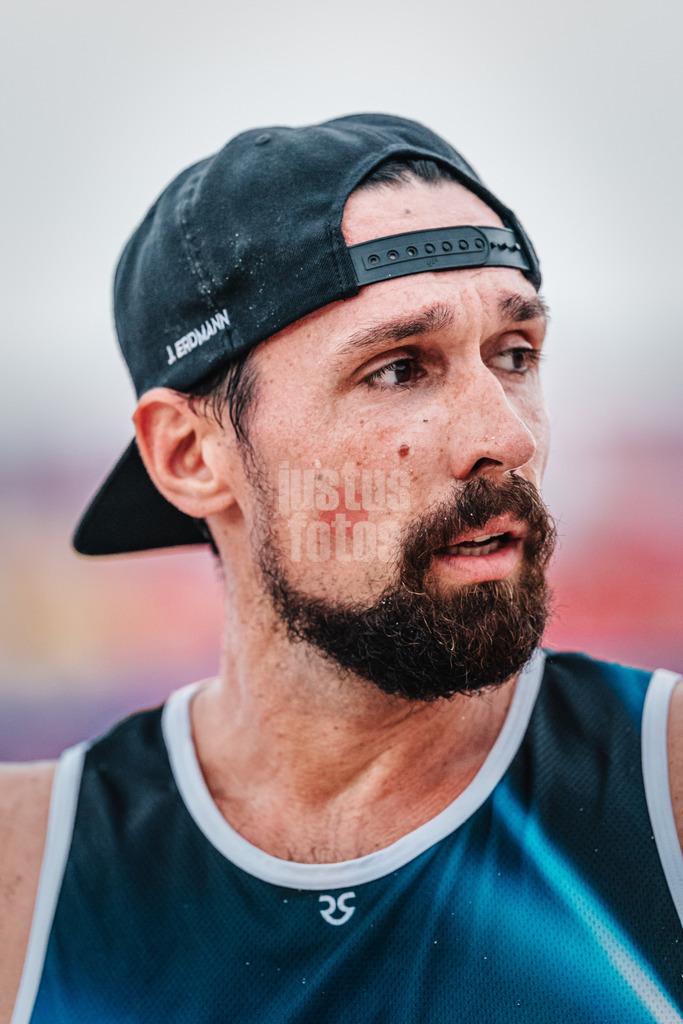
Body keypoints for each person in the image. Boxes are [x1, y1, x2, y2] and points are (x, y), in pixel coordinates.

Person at [1, 113, 681, 1023]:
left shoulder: (661, 789)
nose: (504, 438)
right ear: (192, 456)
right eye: (400, 370)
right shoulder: (28, 868)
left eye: (514, 355)